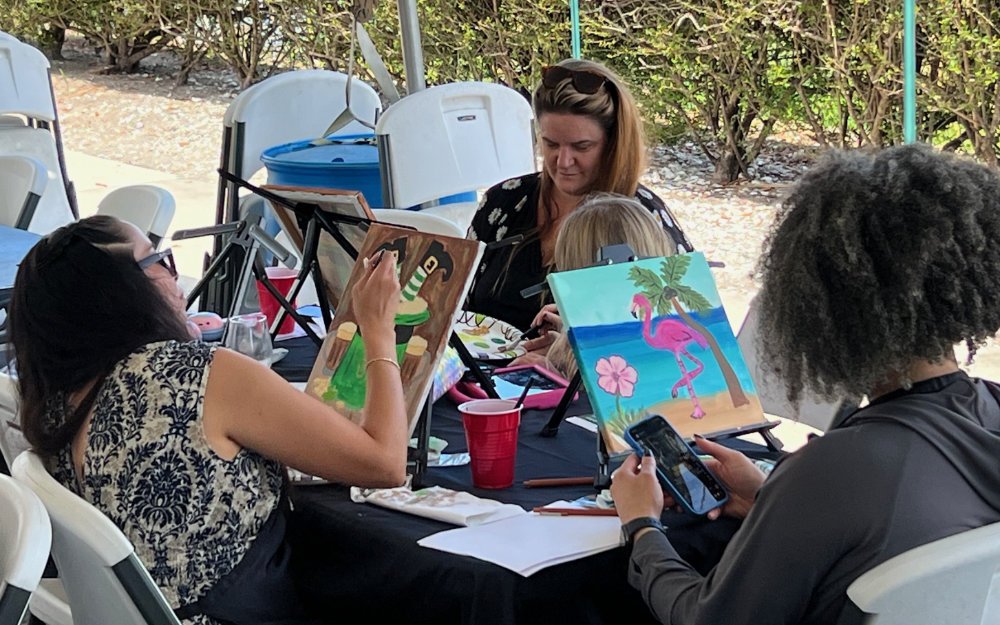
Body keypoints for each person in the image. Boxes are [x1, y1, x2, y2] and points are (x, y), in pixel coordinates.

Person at [610, 143, 1000, 625]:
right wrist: (767, 500)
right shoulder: (991, 410)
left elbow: (704, 619)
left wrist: (642, 526)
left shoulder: (829, 470)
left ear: (818, 308)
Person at [9, 215, 408, 625]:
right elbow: (385, 462)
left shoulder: (57, 400)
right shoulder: (199, 374)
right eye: (159, 261)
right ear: (119, 294)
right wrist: (377, 328)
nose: (175, 273)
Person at [466, 58, 693, 331]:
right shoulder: (504, 202)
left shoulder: (645, 218)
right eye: (550, 143)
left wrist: (572, 347)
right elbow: (457, 306)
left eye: (581, 147)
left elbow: (683, 327)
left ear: (613, 144)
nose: (562, 161)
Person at [512, 192, 677, 372]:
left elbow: (614, 394)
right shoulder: (669, 323)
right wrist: (565, 341)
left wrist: (551, 376)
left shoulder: (637, 352)